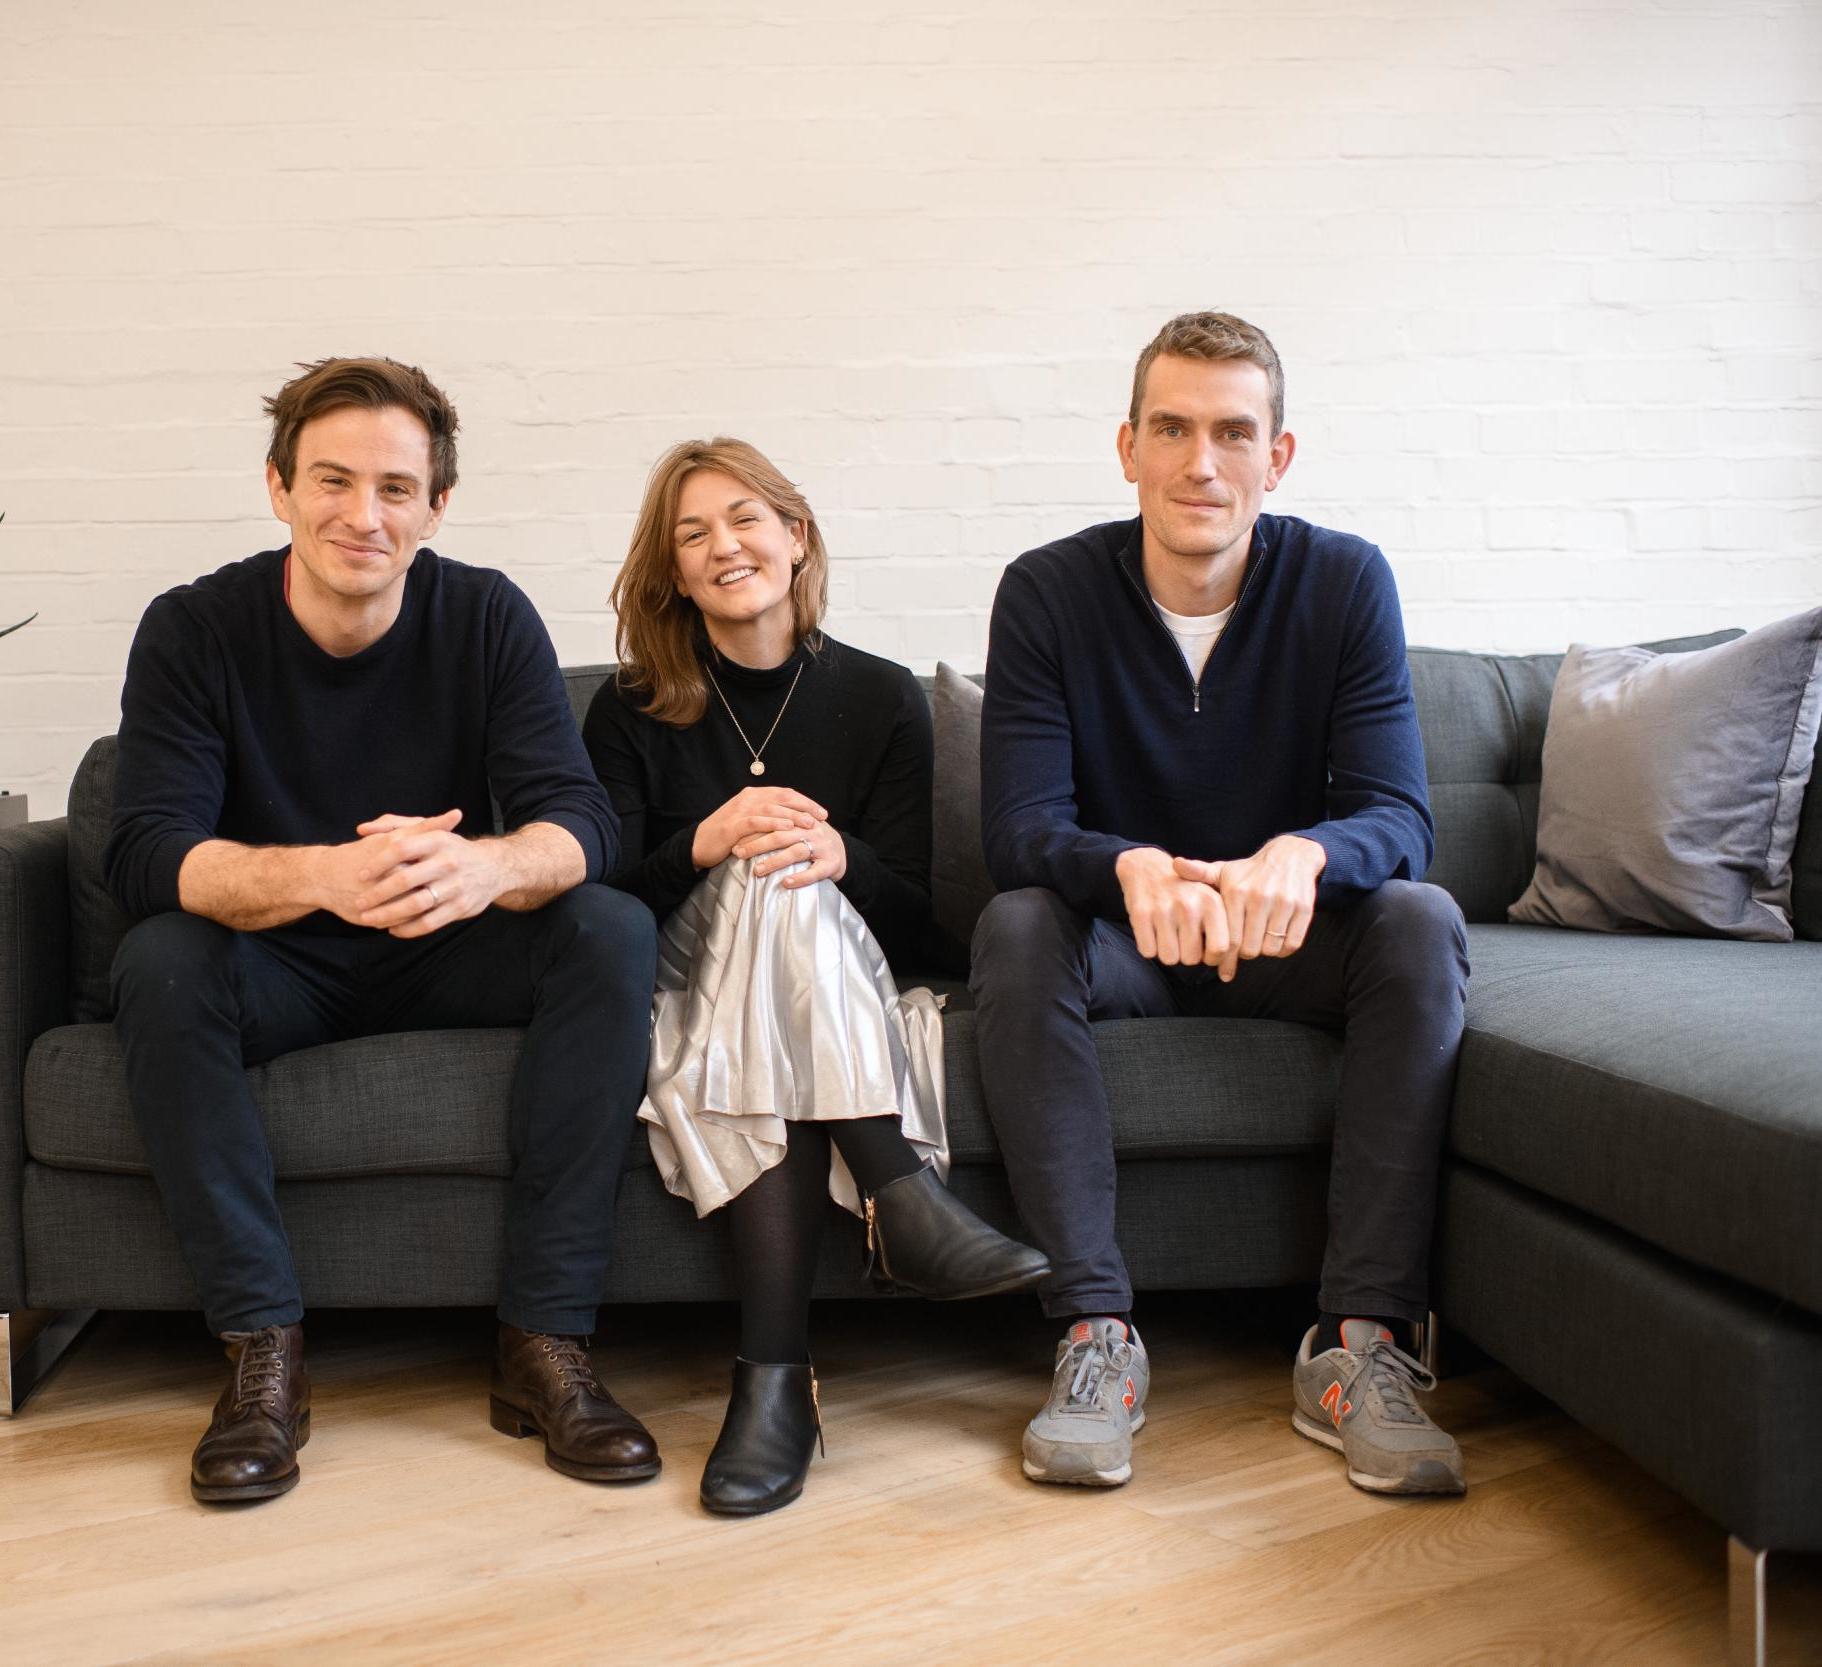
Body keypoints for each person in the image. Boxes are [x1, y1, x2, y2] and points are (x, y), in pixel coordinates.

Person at [104, 357, 661, 1504]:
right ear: (277, 487)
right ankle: (263, 1352)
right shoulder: (194, 628)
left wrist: (484, 864)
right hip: (281, 956)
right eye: (333, 480)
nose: (363, 515)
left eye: (396, 488)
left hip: (443, 941)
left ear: (435, 507)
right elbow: (145, 851)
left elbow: (584, 822)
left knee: (605, 929)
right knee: (158, 959)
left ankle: (542, 1343)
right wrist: (322, 873)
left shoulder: (487, 613)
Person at [970, 312, 1471, 1497]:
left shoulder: (1343, 580)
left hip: (1284, 937)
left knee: (1419, 917)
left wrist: (1301, 852)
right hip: (1125, 941)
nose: (1201, 461)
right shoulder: (1044, 591)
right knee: (1017, 923)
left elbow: (1400, 814)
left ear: (1276, 456)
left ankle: (1358, 1347)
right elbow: (1017, 829)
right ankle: (1094, 1332)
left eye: (1232, 432)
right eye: (1172, 428)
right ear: (1126, 446)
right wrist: (1129, 865)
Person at [585, 437, 1048, 1517]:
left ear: (795, 536)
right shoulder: (630, 708)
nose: (721, 545)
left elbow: (915, 918)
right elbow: (607, 895)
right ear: (671, 571)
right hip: (682, 968)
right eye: (690, 533)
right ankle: (902, 1192)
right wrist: (706, 839)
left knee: (790, 869)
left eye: (744, 518)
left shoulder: (883, 698)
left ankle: (775, 1383)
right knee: (760, 857)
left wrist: (843, 856)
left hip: (824, 973)